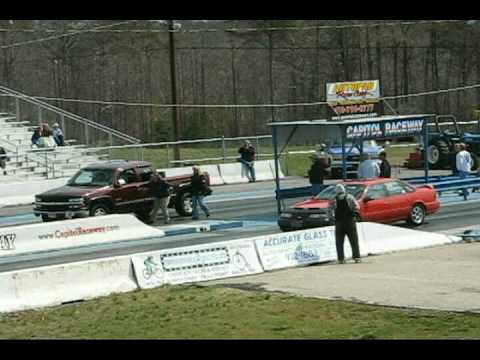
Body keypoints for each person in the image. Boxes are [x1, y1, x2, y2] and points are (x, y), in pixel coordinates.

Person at [333, 184, 361, 264]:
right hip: (350, 222)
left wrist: (333, 219)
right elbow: (357, 207)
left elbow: (329, 211)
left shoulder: (333, 200)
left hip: (339, 223)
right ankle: (356, 257)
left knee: (339, 242)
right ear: (343, 190)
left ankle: (341, 259)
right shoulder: (350, 197)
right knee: (354, 240)